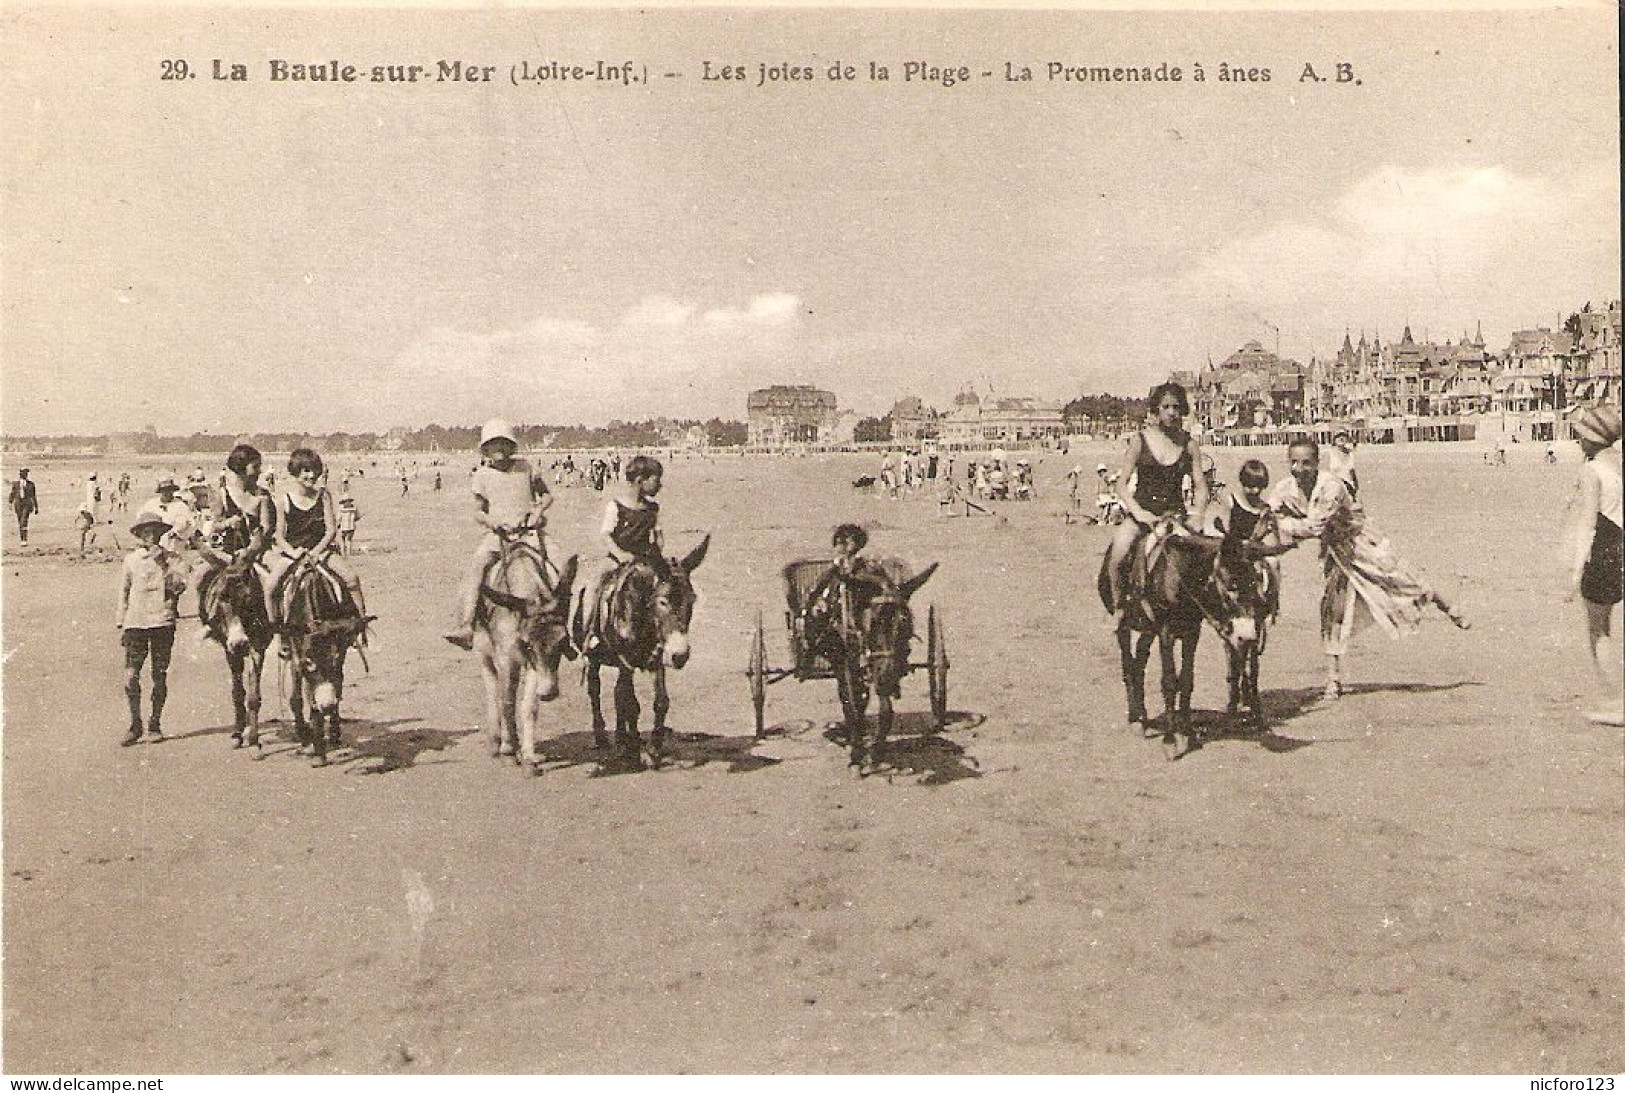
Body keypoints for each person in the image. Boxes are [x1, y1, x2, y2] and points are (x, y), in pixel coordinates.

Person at [1269, 438, 1469, 700]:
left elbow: (1314, 527)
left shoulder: (1331, 486)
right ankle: (1333, 679)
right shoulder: (1285, 488)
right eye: (1293, 462)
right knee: (1332, 609)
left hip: (1360, 542)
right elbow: (1268, 512)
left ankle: (1444, 603)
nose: (1299, 468)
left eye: (1306, 463)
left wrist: (1282, 524)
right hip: (1334, 553)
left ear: (1317, 463)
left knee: (1401, 582)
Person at [1103, 382, 1209, 622]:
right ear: (1156, 410)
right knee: (1118, 554)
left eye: (1176, 407)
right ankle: (1120, 610)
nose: (1171, 412)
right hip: (1142, 515)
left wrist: (1198, 514)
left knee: (1205, 558)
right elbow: (1121, 484)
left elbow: (1201, 487)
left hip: (1175, 516)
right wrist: (1138, 512)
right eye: (1166, 407)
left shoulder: (1189, 445)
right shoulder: (1140, 440)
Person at [445, 420, 554, 650]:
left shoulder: (526, 468)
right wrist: (492, 522)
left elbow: (546, 497)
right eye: (493, 446)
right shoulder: (482, 475)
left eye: (503, 445)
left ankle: (565, 622)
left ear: (511, 446)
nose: (499, 451)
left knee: (559, 562)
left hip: (529, 533)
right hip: (498, 536)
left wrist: (537, 512)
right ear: (485, 449)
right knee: (477, 567)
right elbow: (478, 511)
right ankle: (465, 624)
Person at [1563, 405, 1623, 725]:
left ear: (1592, 439)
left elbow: (1587, 524)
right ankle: (1616, 701)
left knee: (1597, 633)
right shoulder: (1615, 469)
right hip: (1618, 548)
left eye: (1581, 436)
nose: (1578, 442)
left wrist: (1575, 572)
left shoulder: (1591, 472)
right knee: (1606, 629)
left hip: (1601, 551)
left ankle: (1617, 703)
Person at [266, 448, 365, 638]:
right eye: (305, 471)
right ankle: (278, 632)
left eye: (314, 470)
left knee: (352, 578)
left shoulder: (323, 495)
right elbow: (278, 536)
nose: (311, 475)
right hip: (294, 553)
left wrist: (317, 552)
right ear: (295, 472)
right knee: (271, 586)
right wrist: (293, 553)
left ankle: (361, 625)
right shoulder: (283, 500)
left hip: (321, 551)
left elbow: (330, 531)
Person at [574, 454, 666, 649]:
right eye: (656, 480)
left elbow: (657, 535)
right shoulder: (616, 506)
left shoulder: (652, 509)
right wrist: (620, 554)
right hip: (617, 558)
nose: (660, 485)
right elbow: (606, 535)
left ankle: (662, 634)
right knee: (595, 584)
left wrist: (658, 549)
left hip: (643, 558)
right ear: (640, 481)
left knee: (667, 588)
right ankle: (589, 632)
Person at [116, 513, 189, 745]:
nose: (152, 537)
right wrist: (122, 622)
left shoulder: (173, 558)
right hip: (135, 622)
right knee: (131, 676)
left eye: (156, 532)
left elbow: (179, 587)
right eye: (147, 532)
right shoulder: (131, 560)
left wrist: (164, 564)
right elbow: (123, 592)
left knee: (159, 674)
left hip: (162, 621)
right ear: (139, 535)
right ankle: (135, 723)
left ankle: (155, 722)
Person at [802, 524, 898, 633]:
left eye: (846, 542)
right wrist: (815, 604)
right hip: (835, 617)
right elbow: (817, 588)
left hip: (864, 611)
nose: (841, 547)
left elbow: (885, 585)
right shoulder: (834, 570)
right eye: (839, 543)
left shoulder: (867, 567)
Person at [8, 467, 39, 544]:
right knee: (20, 522)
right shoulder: (16, 484)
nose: (24, 475)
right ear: (20, 474)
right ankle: (22, 538)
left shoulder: (31, 484)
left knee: (24, 520)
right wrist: (10, 503)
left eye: (26, 473)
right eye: (23, 473)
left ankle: (24, 540)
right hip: (18, 505)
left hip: (27, 505)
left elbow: (33, 496)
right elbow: (12, 494)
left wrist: (36, 507)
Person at [336, 485, 360, 556]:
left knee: (342, 540)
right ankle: (349, 554)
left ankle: (343, 554)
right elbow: (357, 517)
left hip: (343, 527)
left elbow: (338, 518)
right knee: (349, 541)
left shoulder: (341, 508)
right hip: (351, 527)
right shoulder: (354, 508)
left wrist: (337, 525)